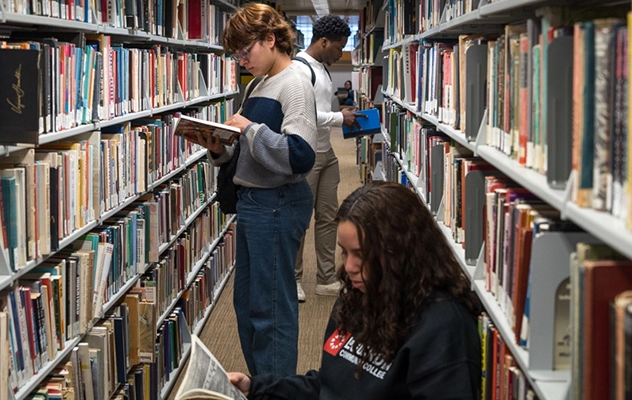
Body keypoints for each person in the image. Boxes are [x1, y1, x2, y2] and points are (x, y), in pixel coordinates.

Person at [227, 182, 484, 399]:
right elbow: (330, 386)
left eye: (361, 256)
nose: (348, 268)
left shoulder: (444, 327)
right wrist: (257, 388)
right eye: (344, 252)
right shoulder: (357, 298)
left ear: (401, 252)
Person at [189, 3, 317, 377]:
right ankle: (263, 383)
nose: (242, 60)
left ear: (271, 39)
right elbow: (247, 151)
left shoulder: (295, 83)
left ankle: (275, 389)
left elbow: (300, 155)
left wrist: (250, 129)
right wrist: (219, 148)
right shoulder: (259, 84)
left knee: (271, 309)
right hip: (254, 203)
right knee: (248, 305)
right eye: (236, 54)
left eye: (247, 50)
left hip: (277, 203)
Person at [292, 15, 359, 302]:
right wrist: (338, 117)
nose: (340, 53)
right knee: (299, 220)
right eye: (338, 48)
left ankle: (326, 278)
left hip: (326, 153)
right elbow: (301, 115)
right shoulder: (299, 69)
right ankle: (293, 278)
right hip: (306, 153)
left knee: (328, 216)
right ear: (322, 41)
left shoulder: (323, 68)